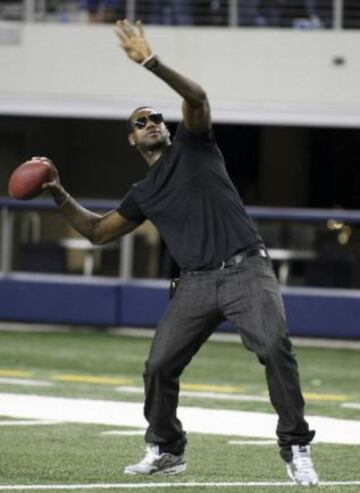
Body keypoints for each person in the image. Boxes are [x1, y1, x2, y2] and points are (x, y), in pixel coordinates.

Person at [41, 19, 318, 486]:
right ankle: (167, 448)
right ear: (132, 139)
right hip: (195, 283)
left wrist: (151, 62)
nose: (150, 124)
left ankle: (295, 445)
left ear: (167, 129)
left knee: (274, 347)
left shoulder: (196, 145)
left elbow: (198, 99)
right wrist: (56, 190)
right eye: (140, 122)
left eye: (154, 118)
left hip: (246, 269)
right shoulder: (143, 192)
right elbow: (96, 232)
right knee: (159, 366)